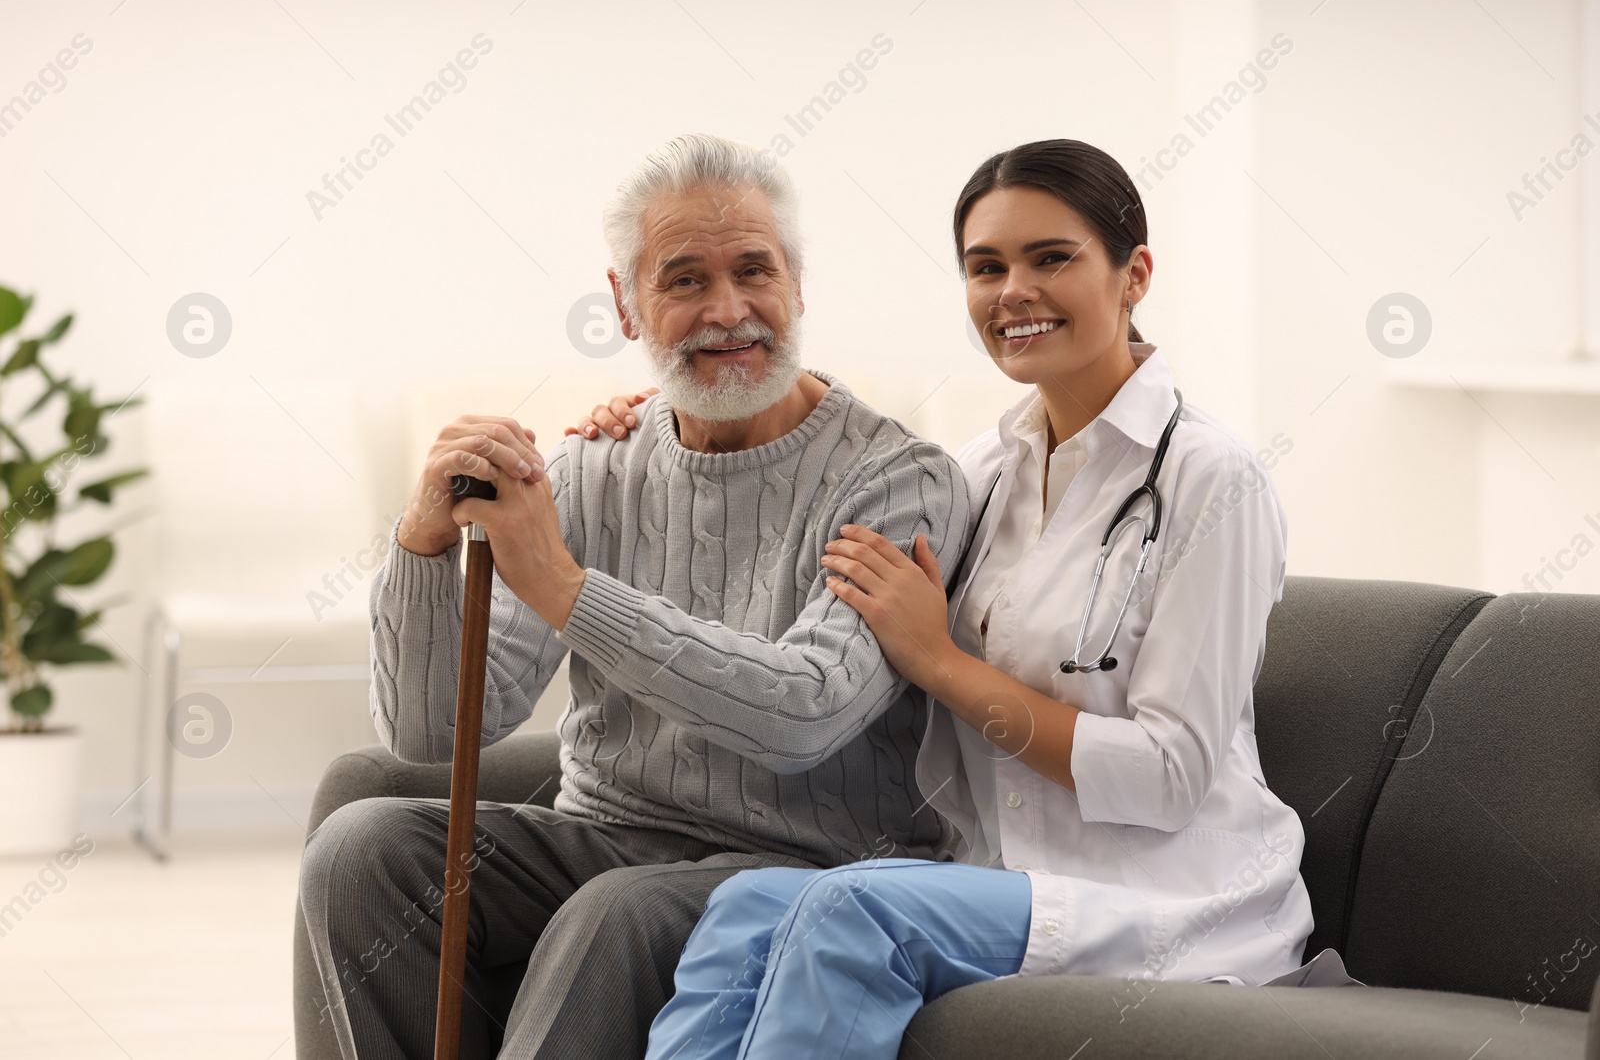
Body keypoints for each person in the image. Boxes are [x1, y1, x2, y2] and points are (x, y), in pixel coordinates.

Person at [569, 139, 1324, 1060]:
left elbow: (1171, 778)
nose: (1013, 290)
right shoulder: (979, 473)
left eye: (1052, 258)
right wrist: (654, 413)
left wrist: (943, 663)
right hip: (995, 880)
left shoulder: (1215, 483)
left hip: (1166, 894)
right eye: (985, 266)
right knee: (745, 905)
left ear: (1135, 276)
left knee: (849, 913)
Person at [297, 133, 972, 1060]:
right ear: (626, 304)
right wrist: (420, 543)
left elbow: (804, 714)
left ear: (799, 288)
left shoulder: (896, 478)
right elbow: (428, 734)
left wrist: (572, 592)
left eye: (753, 270)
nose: (726, 309)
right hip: (604, 835)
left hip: (813, 865)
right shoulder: (589, 470)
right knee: (362, 849)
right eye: (684, 279)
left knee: (614, 914)